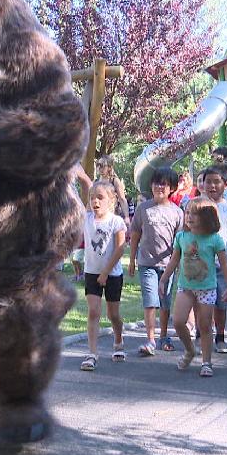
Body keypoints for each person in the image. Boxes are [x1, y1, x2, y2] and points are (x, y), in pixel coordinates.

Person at [158, 197, 227, 378]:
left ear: (206, 217)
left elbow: (224, 265)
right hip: (185, 286)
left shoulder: (214, 240)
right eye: (187, 213)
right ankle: (190, 350)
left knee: (205, 325)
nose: (189, 217)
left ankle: (206, 362)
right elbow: (174, 260)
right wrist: (163, 279)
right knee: (177, 321)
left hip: (207, 288)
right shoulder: (182, 237)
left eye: (194, 214)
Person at [128, 167, 183, 356]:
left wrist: (178, 264)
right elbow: (135, 234)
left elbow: (180, 242)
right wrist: (132, 260)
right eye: (156, 183)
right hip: (146, 263)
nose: (160, 187)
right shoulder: (143, 208)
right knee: (150, 301)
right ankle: (150, 339)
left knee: (165, 302)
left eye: (164, 184)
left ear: (172, 188)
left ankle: (164, 336)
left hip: (168, 266)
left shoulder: (177, 212)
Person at [79, 181, 127, 371]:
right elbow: (85, 188)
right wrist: (82, 177)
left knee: (113, 314)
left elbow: (120, 249)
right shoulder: (86, 218)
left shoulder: (116, 222)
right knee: (93, 312)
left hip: (112, 274)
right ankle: (92, 353)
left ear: (111, 200)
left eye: (100, 197)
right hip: (92, 272)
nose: (95, 201)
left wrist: (106, 272)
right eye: (92, 198)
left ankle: (118, 340)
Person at [196, 165, 227, 354]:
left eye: (216, 182)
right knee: (201, 302)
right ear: (202, 184)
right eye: (208, 182)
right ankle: (200, 333)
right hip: (201, 263)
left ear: (225, 184)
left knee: (221, 303)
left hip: (224, 263)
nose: (212, 186)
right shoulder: (197, 204)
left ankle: (220, 337)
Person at [94, 155, 129, 220]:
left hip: (112, 217)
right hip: (98, 217)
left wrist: (127, 217)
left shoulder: (114, 181)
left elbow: (122, 199)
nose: (100, 168)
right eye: (98, 165)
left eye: (102, 166)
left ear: (109, 167)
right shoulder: (95, 182)